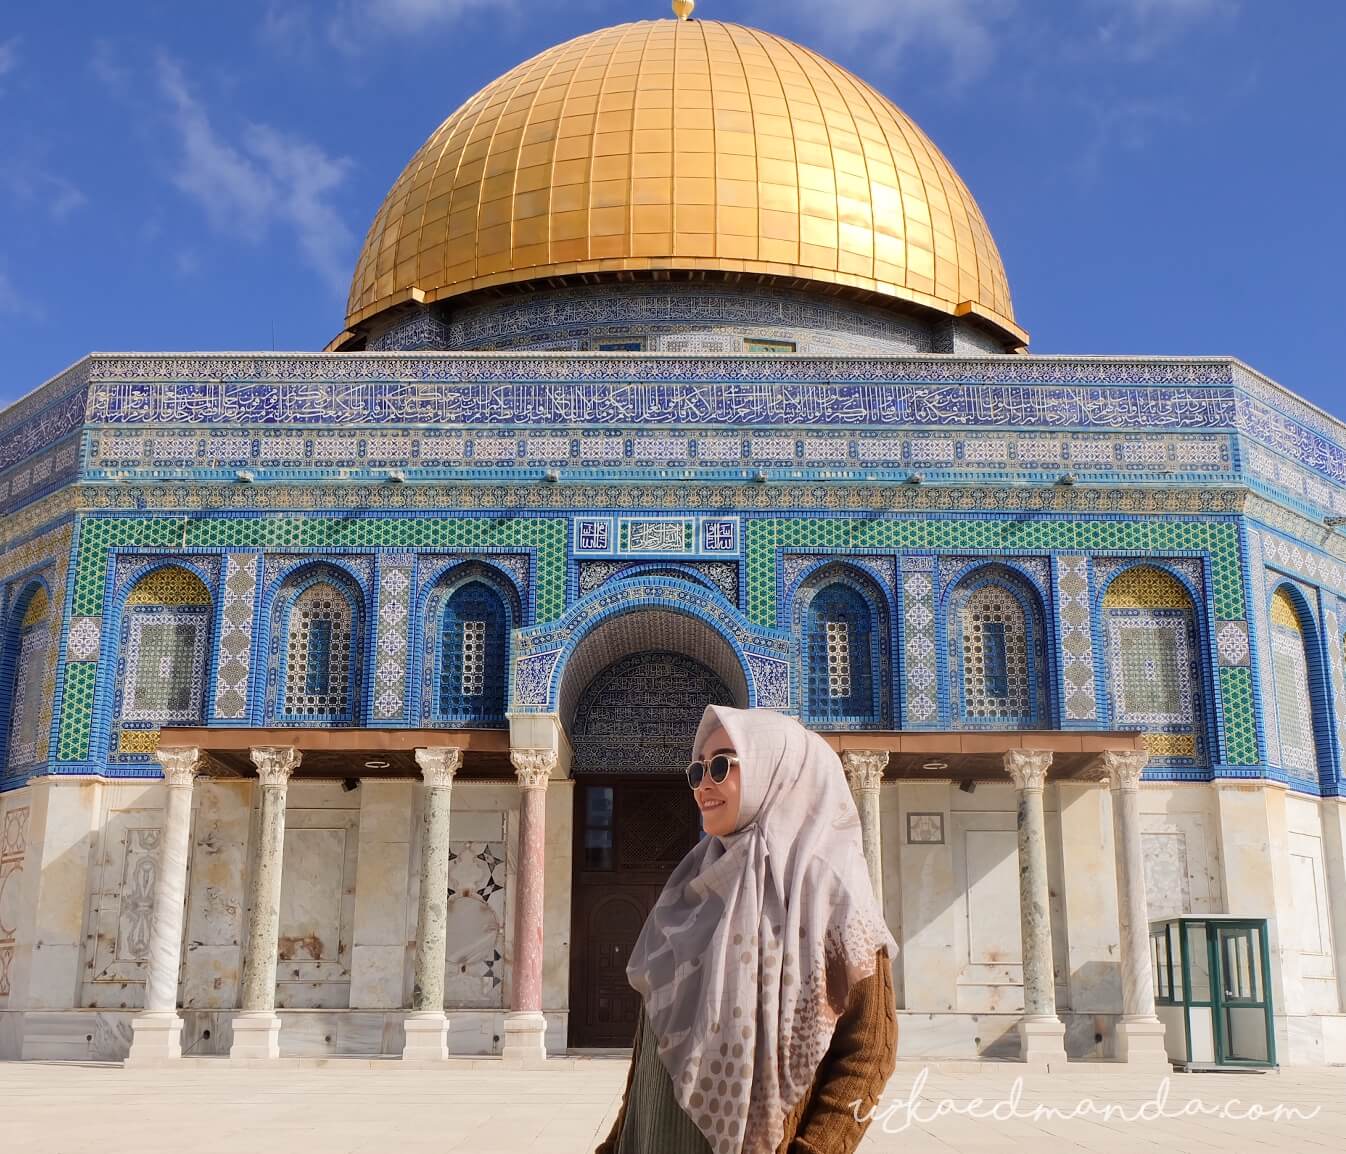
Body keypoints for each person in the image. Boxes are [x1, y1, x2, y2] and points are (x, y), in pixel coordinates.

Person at [595, 704, 899, 1154]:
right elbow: (653, 1058)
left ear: (776, 771)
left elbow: (869, 1049)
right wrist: (617, 1141)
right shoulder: (690, 888)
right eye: (697, 771)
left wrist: (817, 1148)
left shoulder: (829, 894)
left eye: (722, 765)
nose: (704, 785)